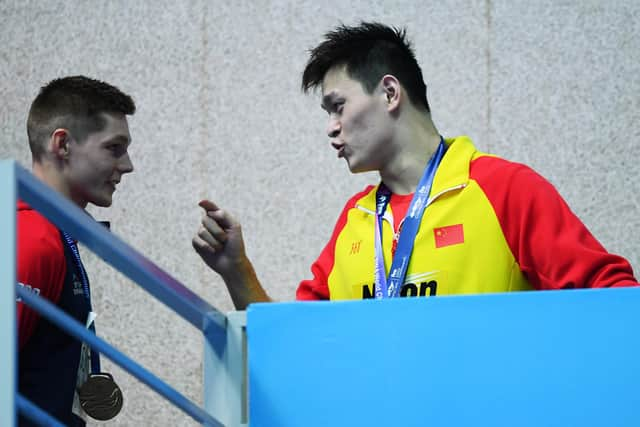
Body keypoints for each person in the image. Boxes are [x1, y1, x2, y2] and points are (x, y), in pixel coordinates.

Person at [192, 22, 637, 309]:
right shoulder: (356, 220)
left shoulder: (504, 189)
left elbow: (617, 302)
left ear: (389, 93)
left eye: (338, 106)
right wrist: (237, 270)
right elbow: (296, 344)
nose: (330, 128)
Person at [17, 75, 135, 426]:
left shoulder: (52, 233)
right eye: (114, 148)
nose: (128, 165)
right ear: (63, 144)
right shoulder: (32, 239)